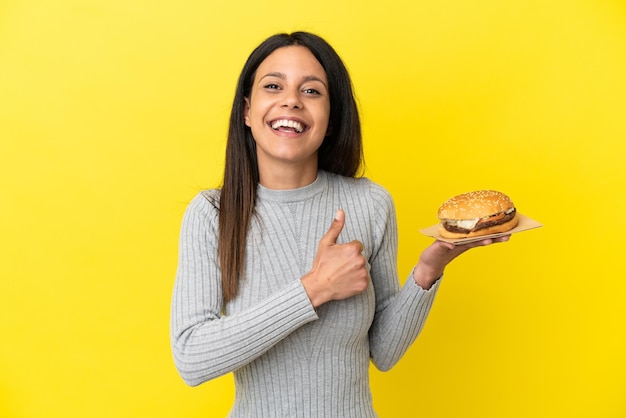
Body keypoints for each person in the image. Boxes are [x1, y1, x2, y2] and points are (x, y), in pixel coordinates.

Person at [170, 31, 509, 417]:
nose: (292, 101)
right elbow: (191, 357)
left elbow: (382, 351)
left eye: (311, 91)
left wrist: (428, 272)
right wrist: (314, 288)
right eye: (273, 86)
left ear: (330, 120)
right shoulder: (213, 213)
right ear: (247, 111)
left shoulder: (369, 203)